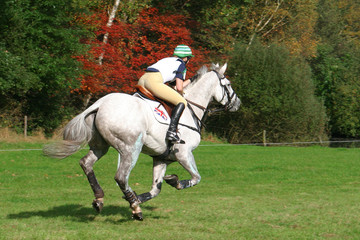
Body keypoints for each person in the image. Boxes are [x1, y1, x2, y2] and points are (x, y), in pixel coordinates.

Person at [138, 44, 194, 143]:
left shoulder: (166, 60)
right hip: (154, 82)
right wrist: (180, 94)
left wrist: (191, 80)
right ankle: (172, 132)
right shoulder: (181, 64)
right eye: (189, 58)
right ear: (186, 58)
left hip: (142, 79)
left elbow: (174, 86)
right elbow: (179, 88)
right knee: (182, 102)